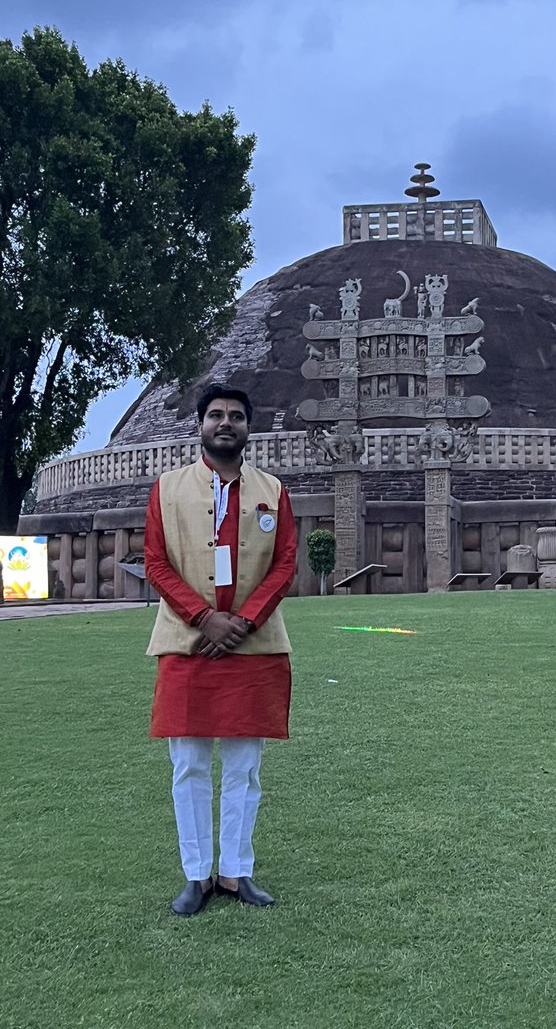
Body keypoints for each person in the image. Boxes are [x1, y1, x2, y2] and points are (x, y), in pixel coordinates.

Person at [145, 384, 297, 916]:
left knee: (245, 767)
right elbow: (157, 563)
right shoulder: (167, 489)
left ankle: (236, 871)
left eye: (235, 415)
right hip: (187, 642)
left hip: (253, 646)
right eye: (215, 415)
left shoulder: (272, 490)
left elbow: (284, 564)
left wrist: (244, 622)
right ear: (201, 425)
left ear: (248, 427)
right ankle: (195, 875)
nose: (225, 422)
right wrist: (205, 618)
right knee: (188, 764)